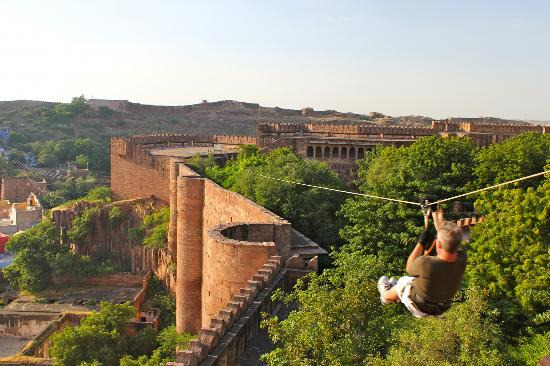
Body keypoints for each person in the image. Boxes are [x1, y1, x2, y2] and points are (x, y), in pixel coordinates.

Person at [377, 208, 467, 318]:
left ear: (438, 244)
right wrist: (435, 210)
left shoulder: (427, 264)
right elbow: (448, 238)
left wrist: (421, 243)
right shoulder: (462, 258)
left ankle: (386, 297)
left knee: (404, 281)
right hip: (441, 307)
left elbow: (409, 267)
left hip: (419, 306)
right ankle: (394, 288)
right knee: (413, 281)